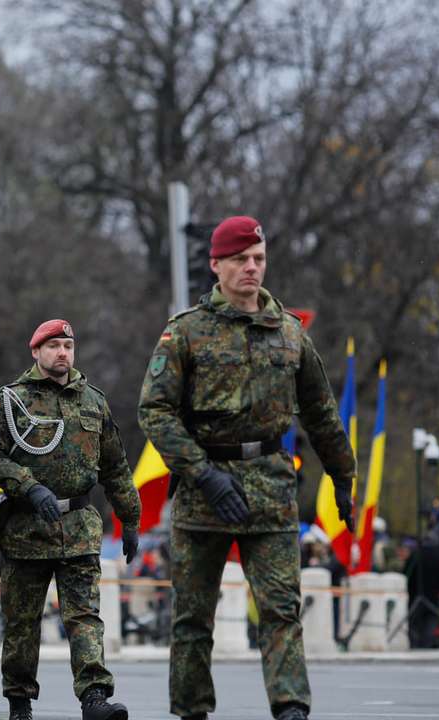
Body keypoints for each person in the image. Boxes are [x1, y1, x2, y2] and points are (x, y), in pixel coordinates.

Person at [137, 216, 356, 720]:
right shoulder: (186, 332)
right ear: (217, 265)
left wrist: (343, 478)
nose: (251, 268)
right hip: (203, 491)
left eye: (258, 258)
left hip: (271, 490)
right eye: (240, 260)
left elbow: (322, 414)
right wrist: (202, 473)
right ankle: (192, 710)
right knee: (193, 619)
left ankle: (291, 707)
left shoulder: (290, 333)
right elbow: (154, 411)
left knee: (282, 610)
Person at [0, 319, 139, 720]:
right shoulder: (12, 399)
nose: (62, 353)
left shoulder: (93, 401)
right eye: (53, 346)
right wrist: (28, 486)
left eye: (67, 345)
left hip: (78, 527)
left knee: (85, 616)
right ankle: (19, 701)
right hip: (26, 529)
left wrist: (129, 518)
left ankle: (94, 696)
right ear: (36, 352)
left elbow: (115, 466)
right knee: (21, 623)